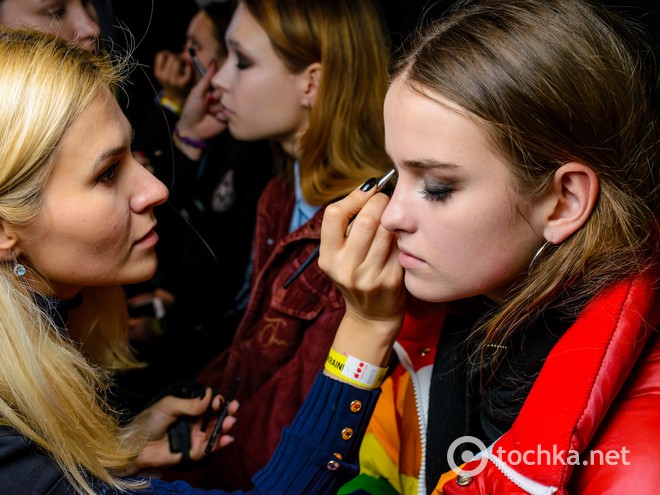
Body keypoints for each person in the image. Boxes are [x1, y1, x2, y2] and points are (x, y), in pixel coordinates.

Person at [315, 0, 660, 493]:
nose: (391, 216)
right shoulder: (442, 313)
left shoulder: (641, 455)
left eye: (436, 186)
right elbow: (375, 478)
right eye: (396, 173)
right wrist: (366, 327)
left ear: (563, 202)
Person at [161, 0, 392, 489]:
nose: (217, 80)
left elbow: (296, 413)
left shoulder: (361, 226)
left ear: (311, 83)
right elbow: (250, 348)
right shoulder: (281, 191)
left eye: (241, 62)